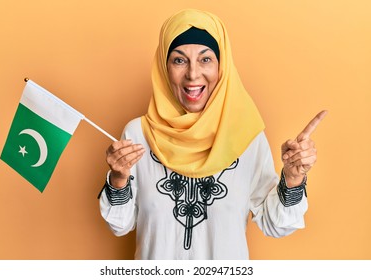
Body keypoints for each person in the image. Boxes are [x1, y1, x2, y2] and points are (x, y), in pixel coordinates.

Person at [98, 8, 327, 260]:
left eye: (206, 59)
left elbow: (276, 224)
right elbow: (120, 225)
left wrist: (293, 178)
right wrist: (118, 178)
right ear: (164, 68)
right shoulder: (139, 134)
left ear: (222, 66)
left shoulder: (245, 138)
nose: (193, 74)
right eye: (179, 60)